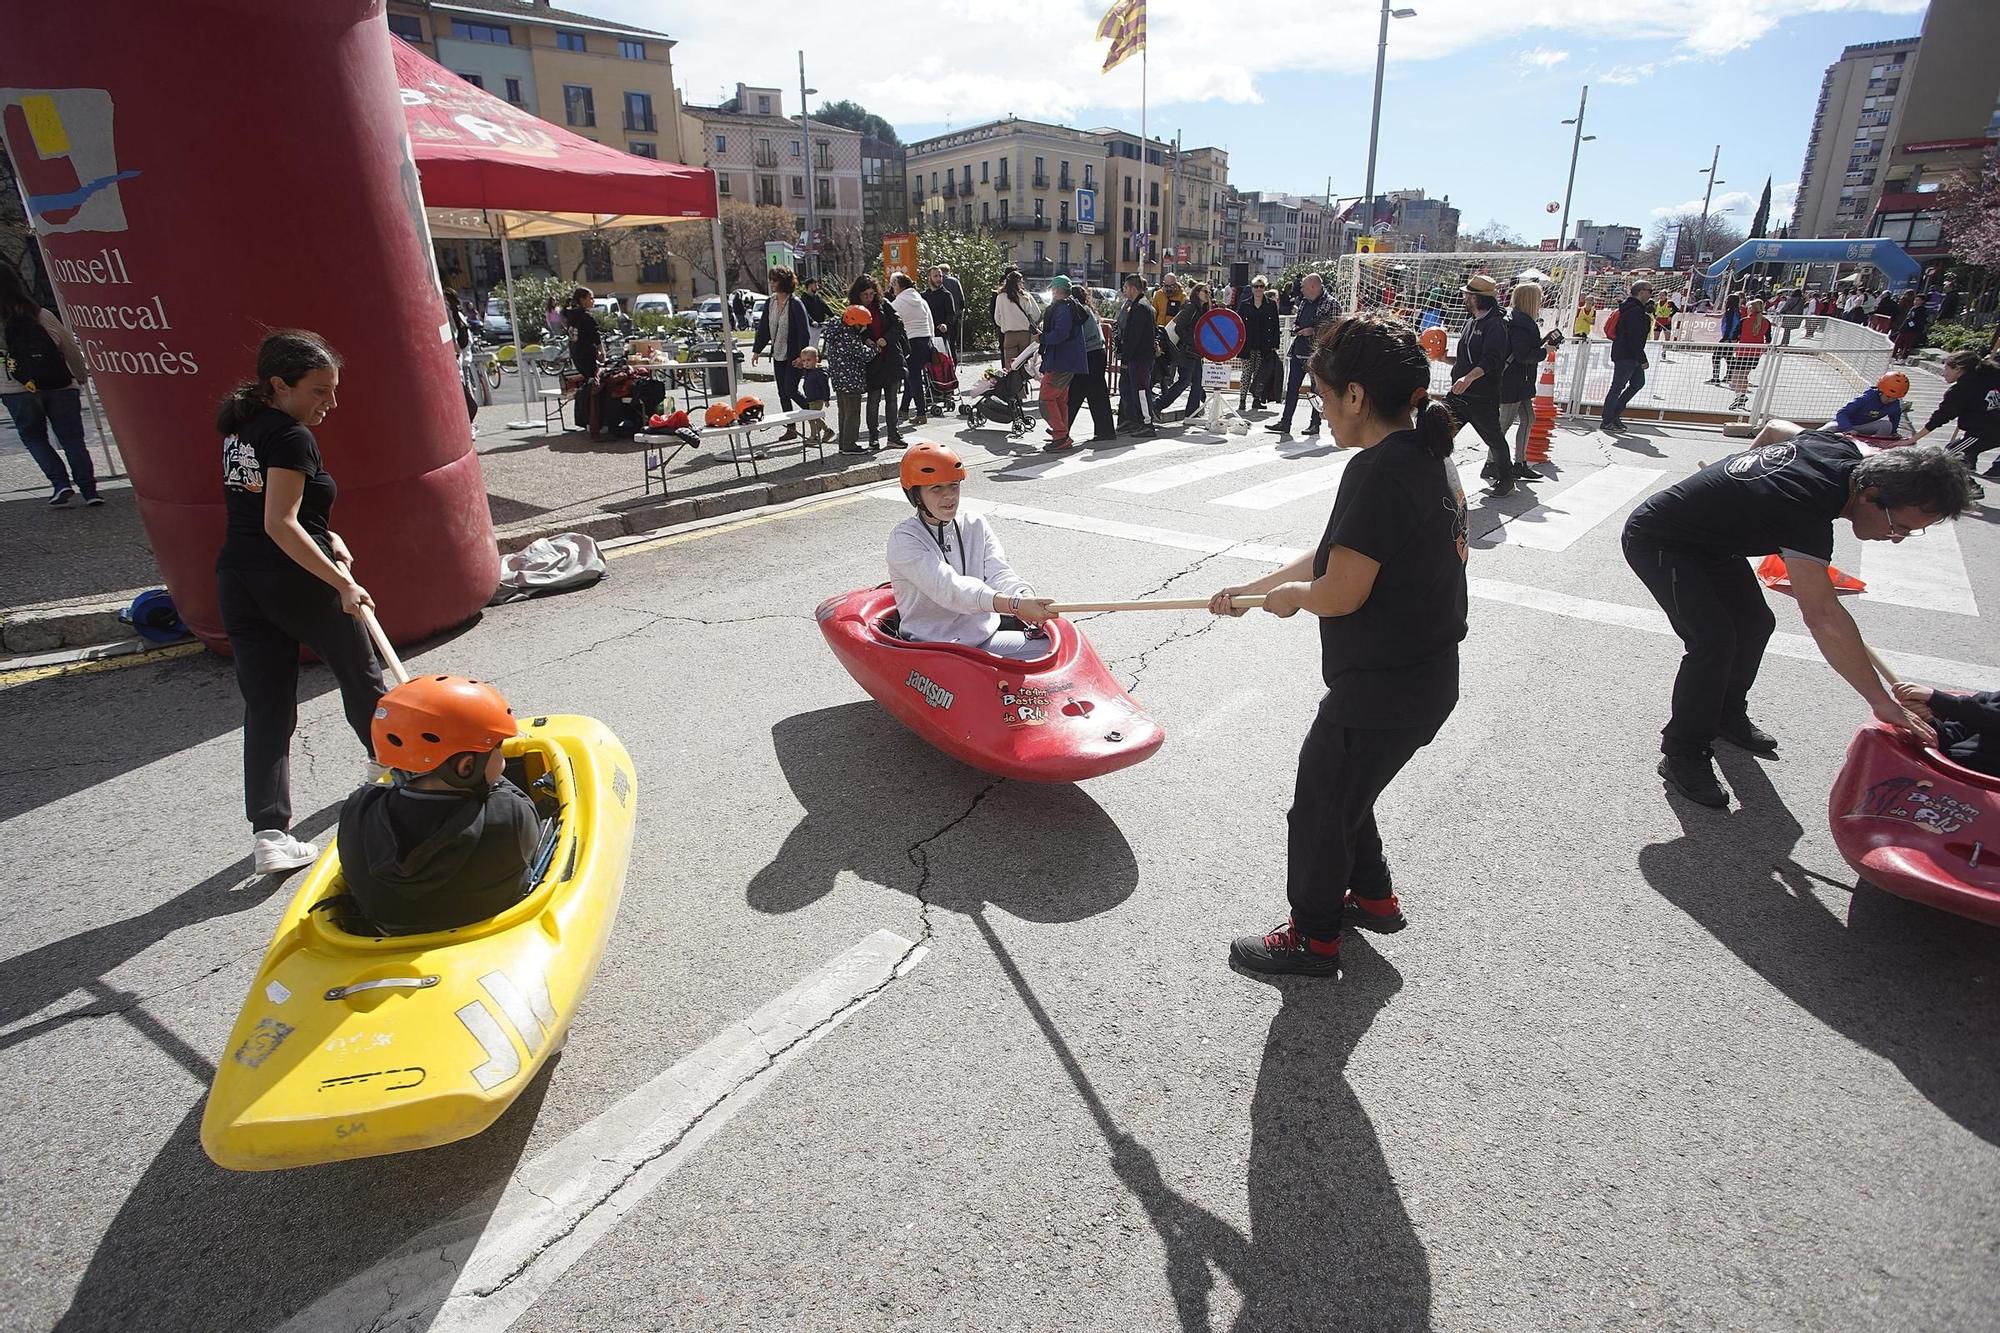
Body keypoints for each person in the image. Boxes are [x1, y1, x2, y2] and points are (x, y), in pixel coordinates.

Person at [1206, 315, 1468, 976]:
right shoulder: (1426, 453)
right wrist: (1250, 588)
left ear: (1356, 396)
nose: (1320, 411)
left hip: (1383, 686)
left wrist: (1291, 600)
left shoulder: (1378, 471)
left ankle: (1315, 935)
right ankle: (1372, 894)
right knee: (1350, 787)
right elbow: (1334, 554)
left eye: (1323, 397)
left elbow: (1341, 588)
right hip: (1423, 679)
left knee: (1321, 804)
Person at [1621, 430, 1972, 808]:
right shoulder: (1806, 505)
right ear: (1871, 494)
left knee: (1756, 625)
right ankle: (1683, 751)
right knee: (1714, 641)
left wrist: (1740, 486)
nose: (1898, 538)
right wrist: (1880, 701)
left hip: (1716, 544)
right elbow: (1822, 616)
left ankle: (1725, 713)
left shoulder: (1841, 451)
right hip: (1662, 540)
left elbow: (1775, 427)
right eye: (1898, 526)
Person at [214, 330, 388, 874]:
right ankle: (392, 774)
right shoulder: (291, 437)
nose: (329, 403)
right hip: (295, 580)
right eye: (318, 391)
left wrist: (326, 533)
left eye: (333, 390)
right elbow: (280, 523)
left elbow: (270, 512)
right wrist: (340, 584)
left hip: (239, 580)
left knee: (267, 705)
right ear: (279, 385)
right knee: (363, 678)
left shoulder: (241, 426)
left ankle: (269, 833)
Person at [340, 675, 542, 934]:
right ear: (466, 765)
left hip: (388, 931)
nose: (501, 753)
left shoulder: (358, 808)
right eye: (498, 748)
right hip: (485, 929)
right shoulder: (511, 814)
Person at [888, 442, 1058, 659]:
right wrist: (1015, 605)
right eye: (936, 488)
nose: (949, 496)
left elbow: (999, 573)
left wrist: (1025, 596)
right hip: (934, 651)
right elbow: (950, 588)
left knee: (1056, 650)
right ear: (916, 495)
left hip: (985, 640)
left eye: (953, 485)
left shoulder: (975, 523)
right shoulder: (904, 539)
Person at [0, 263, 98, 506]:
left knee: (34, 438)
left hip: (18, 390)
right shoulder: (41, 314)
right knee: (72, 438)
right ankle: (90, 491)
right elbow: (70, 348)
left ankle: (60, 484)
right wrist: (80, 377)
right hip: (60, 385)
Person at [1445, 273, 1516, 496]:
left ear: (1475, 298)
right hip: (1458, 395)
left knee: (1494, 439)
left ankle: (1506, 479)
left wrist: (1468, 378)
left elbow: (1492, 360)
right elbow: (1468, 359)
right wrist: (1444, 359)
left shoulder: (1495, 325)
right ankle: (1429, 478)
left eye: (1466, 295)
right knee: (1437, 432)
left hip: (1481, 397)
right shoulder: (1471, 321)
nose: (1464, 298)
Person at [1909, 348, 2000, 492]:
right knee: (1963, 451)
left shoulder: (1961, 389)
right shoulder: (1991, 376)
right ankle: (1965, 475)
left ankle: (1969, 487)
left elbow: (1941, 417)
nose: (1944, 372)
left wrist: (1912, 438)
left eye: (1946, 367)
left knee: (1949, 454)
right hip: (1987, 428)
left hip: (1986, 431)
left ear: (1958, 368)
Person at [1268, 272, 1341, 436]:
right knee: (1292, 388)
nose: (1300, 289)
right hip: (1299, 351)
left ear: (1313, 286)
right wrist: (1297, 328)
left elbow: (1335, 329)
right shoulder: (1304, 302)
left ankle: (1315, 424)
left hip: (1318, 354)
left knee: (1316, 391)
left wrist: (1313, 331)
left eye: (1303, 286)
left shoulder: (1331, 304)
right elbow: (1298, 321)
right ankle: (1285, 422)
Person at [1498, 281, 1554, 483]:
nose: (1541, 302)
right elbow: (1522, 355)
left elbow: (1520, 351)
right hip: (1514, 381)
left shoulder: (1518, 320)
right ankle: (1494, 464)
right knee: (1504, 424)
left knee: (1528, 419)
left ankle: (1519, 463)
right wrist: (1544, 351)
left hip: (1519, 381)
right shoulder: (1521, 323)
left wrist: (1541, 344)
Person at [1892, 680, 1999, 779]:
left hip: (1986, 778)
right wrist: (1928, 719)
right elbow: (1946, 739)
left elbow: (1987, 719)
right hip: (1949, 770)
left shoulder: (1975, 710)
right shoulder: (1985, 699)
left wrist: (1935, 697)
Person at [752, 267, 812, 441]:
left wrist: (802, 357)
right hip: (778, 354)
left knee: (790, 390)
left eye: (774, 280)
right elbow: (763, 328)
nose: (771, 283)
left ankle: (815, 414)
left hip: (794, 355)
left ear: (784, 282)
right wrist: (757, 350)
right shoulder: (770, 302)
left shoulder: (795, 303)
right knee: (782, 393)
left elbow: (804, 332)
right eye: (770, 280)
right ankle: (791, 429)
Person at [849, 275, 908, 450]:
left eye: (871, 294)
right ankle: (873, 437)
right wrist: (866, 339)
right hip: (872, 360)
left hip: (890, 358)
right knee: (873, 400)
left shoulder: (883, 305)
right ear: (858, 295)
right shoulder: (854, 309)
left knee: (891, 399)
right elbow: (852, 332)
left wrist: (886, 339)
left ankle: (892, 434)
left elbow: (898, 324)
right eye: (865, 295)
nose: (869, 298)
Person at [1036, 275, 1089, 452]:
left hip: (1060, 361)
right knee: (1059, 400)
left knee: (1046, 398)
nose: (1051, 292)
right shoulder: (1071, 306)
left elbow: (1060, 334)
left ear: (1058, 290)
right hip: (1067, 360)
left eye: (1052, 289)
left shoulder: (1063, 309)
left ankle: (1060, 435)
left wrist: (1042, 338)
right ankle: (1061, 434)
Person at [1064, 284, 1117, 443]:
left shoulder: (1079, 311)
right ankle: (1105, 431)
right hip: (1098, 353)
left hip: (1089, 355)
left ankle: (1062, 431)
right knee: (1097, 395)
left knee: (1075, 394)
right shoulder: (1088, 310)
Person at [1598, 279, 1652, 434]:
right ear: (1641, 292)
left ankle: (1615, 413)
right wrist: (1642, 359)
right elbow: (1634, 337)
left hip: (1629, 354)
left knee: (1638, 383)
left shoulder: (1634, 309)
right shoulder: (1634, 311)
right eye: (1649, 291)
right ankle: (1608, 419)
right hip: (1627, 354)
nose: (1651, 295)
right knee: (1617, 386)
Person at [823, 304, 877, 454]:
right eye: (862, 325)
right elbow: (865, 355)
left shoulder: (837, 332)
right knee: (853, 414)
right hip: (851, 381)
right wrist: (875, 347)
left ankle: (843, 444)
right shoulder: (849, 337)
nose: (864, 328)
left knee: (844, 413)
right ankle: (850, 445)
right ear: (854, 323)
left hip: (839, 380)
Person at [1156, 282, 1213, 419]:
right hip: (1186, 352)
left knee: (1197, 383)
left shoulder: (1201, 309)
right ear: (1197, 292)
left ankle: (1191, 413)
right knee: (1184, 381)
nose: (1207, 294)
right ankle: (1157, 406)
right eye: (1205, 291)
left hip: (1195, 352)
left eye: (1209, 292)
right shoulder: (1190, 307)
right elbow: (1179, 328)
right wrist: (1194, 342)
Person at [889, 272, 936, 427]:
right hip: (926, 340)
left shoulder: (898, 302)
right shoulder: (921, 300)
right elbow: (930, 322)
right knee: (912, 376)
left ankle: (921, 413)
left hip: (911, 342)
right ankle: (903, 409)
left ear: (898, 285)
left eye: (893, 285)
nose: (892, 288)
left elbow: (892, 323)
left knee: (913, 379)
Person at [1116, 274, 1159, 438]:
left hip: (1140, 357)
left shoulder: (1140, 307)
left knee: (1141, 391)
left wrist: (1125, 356)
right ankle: (1136, 421)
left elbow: (1134, 336)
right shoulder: (1141, 304)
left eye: (1126, 288)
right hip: (1139, 357)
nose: (1124, 291)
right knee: (1136, 390)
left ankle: (1147, 424)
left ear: (1133, 288)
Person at [1239, 275, 1280, 412]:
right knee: (1246, 373)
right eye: (1256, 286)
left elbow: (1275, 325)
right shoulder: (1245, 304)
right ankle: (1242, 400)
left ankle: (1256, 400)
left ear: (1265, 288)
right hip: (1248, 345)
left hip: (1264, 345)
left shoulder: (1271, 305)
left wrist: (1275, 344)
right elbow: (1238, 324)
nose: (1258, 289)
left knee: (1259, 374)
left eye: (1261, 286)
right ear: (1251, 288)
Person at [564, 286, 601, 431]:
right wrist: (601, 351)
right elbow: (595, 336)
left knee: (588, 384)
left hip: (576, 353)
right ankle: (593, 419)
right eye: (590, 298)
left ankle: (586, 419)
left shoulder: (571, 315)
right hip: (586, 354)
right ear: (582, 300)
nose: (593, 301)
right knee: (595, 385)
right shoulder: (586, 316)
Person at [1833, 373, 1909, 439]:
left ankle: (1877, 445)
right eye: (1888, 396)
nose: (1890, 400)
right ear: (1881, 391)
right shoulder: (1867, 398)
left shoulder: (1895, 405)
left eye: (1894, 398)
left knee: (1886, 425)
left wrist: (1893, 433)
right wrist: (1847, 428)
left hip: (1863, 427)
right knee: (1825, 430)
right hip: (1844, 424)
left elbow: (1895, 419)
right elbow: (1842, 413)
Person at [442, 286, 477, 424]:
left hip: (458, 356)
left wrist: (455, 351)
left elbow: (451, 335)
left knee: (465, 389)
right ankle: (470, 422)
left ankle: (470, 422)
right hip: (461, 355)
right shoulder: (455, 314)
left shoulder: (450, 315)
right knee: (465, 387)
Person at [1727, 298, 1770, 411]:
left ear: (1750, 309)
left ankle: (1740, 396)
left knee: (1736, 376)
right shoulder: (1766, 322)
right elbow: (1768, 339)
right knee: (1744, 375)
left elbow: (1733, 337)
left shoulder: (1744, 321)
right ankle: (1741, 398)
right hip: (1755, 353)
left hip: (1743, 352)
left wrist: (1735, 343)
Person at [992, 269, 1042, 366]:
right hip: (1025, 334)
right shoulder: (1026, 296)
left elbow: (997, 318)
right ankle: (1022, 381)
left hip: (1009, 334)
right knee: (1024, 364)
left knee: (1010, 365)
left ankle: (1012, 381)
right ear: (1019, 282)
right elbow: (1037, 315)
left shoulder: (1000, 297)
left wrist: (1006, 324)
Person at [795, 346, 835, 444]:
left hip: (817, 399)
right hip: (810, 398)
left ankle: (815, 436)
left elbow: (825, 386)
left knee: (813, 417)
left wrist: (826, 399)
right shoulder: (808, 371)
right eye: (804, 361)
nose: (806, 363)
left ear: (816, 359)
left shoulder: (820, 373)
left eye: (808, 360)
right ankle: (824, 431)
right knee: (813, 418)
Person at [923, 268, 958, 361]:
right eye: (935, 276)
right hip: (927, 334)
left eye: (940, 276)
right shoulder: (923, 296)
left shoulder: (946, 295)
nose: (939, 279)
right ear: (929, 278)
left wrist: (946, 325)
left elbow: (951, 314)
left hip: (940, 335)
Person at [1709, 292, 1742, 386]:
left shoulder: (1731, 312)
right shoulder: (1736, 311)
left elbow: (1730, 325)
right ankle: (1729, 376)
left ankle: (1716, 377)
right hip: (1731, 338)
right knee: (1729, 357)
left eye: (1727, 300)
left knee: (1716, 357)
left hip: (1727, 338)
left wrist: (1727, 338)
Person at [1892, 290, 1931, 362]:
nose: (1915, 301)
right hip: (1904, 328)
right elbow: (1907, 318)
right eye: (1915, 300)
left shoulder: (1922, 310)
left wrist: (1912, 325)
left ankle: (1903, 359)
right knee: (1897, 342)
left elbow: (1919, 321)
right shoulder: (1913, 308)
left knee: (1907, 345)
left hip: (1912, 330)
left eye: (1918, 300)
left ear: (1922, 301)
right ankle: (1893, 357)